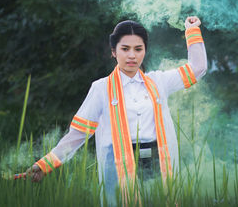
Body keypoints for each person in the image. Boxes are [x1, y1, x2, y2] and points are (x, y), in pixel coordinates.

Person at [26, 16, 207, 204]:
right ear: (113, 51)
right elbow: (78, 134)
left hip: (157, 161)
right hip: (117, 163)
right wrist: (45, 165)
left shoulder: (158, 82)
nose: (132, 55)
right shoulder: (101, 88)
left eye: (138, 49)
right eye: (125, 49)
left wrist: (191, 30)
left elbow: (198, 68)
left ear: (145, 51)